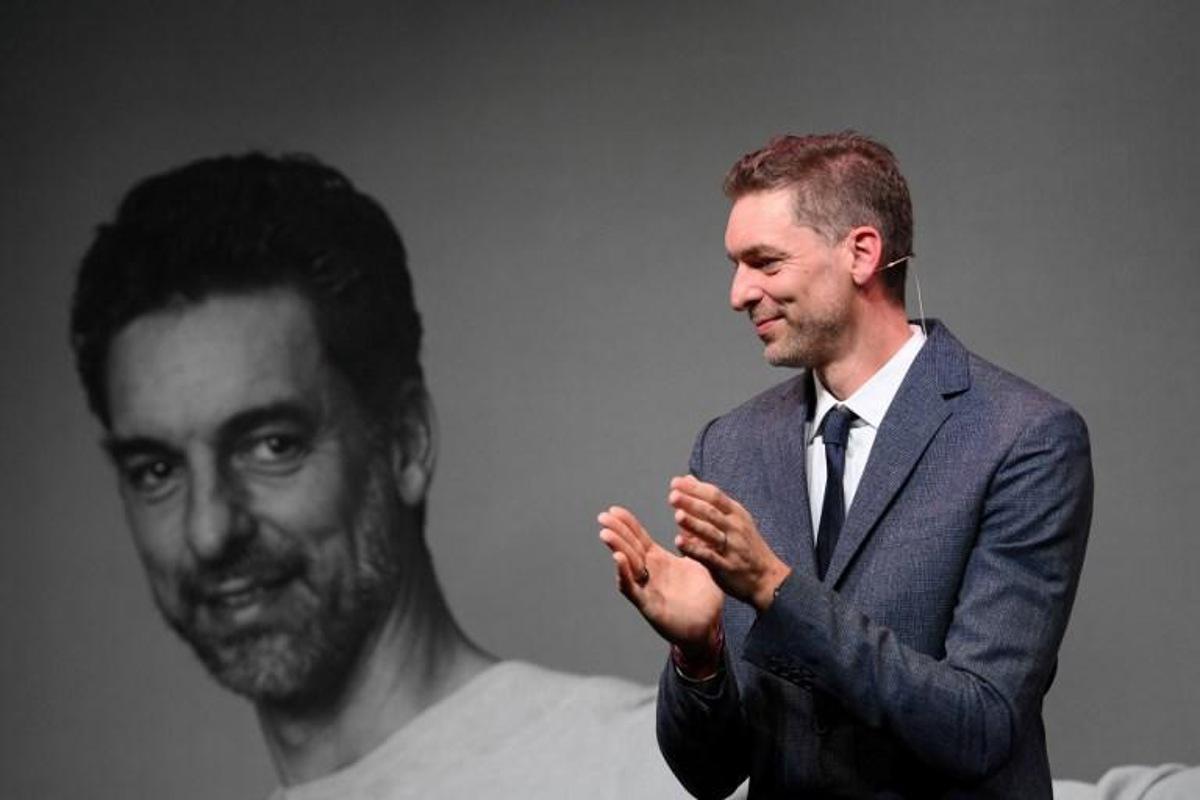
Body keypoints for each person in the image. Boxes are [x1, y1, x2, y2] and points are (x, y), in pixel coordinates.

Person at [70, 153, 693, 799]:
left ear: (405, 444)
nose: (208, 531)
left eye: (272, 445)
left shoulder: (654, 774)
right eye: (157, 470)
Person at [599, 132, 1093, 798]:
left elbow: (978, 726)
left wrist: (774, 589)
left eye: (765, 262)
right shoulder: (731, 446)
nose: (739, 293)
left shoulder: (1025, 438)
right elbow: (710, 775)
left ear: (861, 252)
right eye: (736, 265)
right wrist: (699, 653)